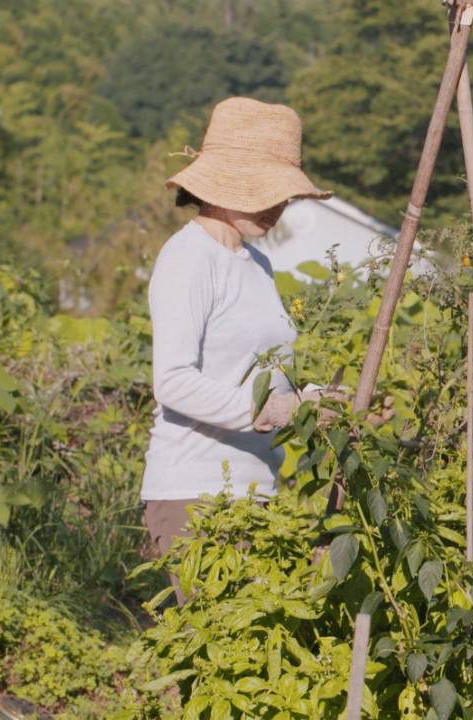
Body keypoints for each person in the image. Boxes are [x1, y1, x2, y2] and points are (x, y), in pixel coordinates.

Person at [140, 97, 333, 572]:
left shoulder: (256, 264)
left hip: (256, 491)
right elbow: (173, 382)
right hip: (197, 495)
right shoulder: (189, 258)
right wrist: (272, 411)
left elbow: (258, 374)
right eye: (266, 189)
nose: (277, 206)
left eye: (283, 194)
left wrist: (313, 398)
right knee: (212, 641)